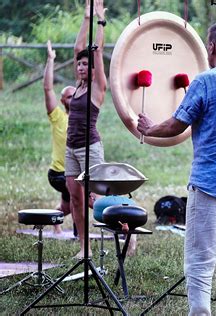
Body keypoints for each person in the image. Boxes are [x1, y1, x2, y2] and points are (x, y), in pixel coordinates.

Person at [138, 21, 216, 315]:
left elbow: (174, 125)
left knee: (200, 264)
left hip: (210, 187)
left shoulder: (205, 81)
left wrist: (148, 128)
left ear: (211, 47)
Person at [65, 0, 107, 259]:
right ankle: (85, 248)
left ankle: (128, 229)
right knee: (76, 199)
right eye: (79, 65)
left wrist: (100, 22)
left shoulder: (96, 89)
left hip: (90, 148)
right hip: (71, 148)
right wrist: (85, 18)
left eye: (85, 65)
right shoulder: (77, 86)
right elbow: (78, 48)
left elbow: (96, 51)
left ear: (93, 70)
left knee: (96, 199)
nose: (81, 67)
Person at [43, 39, 75, 235]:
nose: (73, 98)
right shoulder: (57, 117)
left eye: (75, 95)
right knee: (79, 197)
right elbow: (48, 89)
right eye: (69, 96)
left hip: (74, 172)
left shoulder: (83, 119)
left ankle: (56, 224)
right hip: (58, 174)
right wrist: (50, 60)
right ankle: (79, 234)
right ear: (63, 101)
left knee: (68, 207)